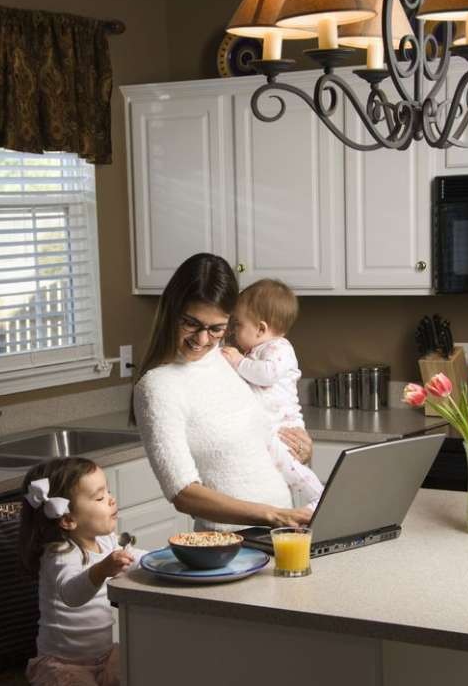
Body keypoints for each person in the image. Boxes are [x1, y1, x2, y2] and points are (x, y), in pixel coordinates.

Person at [132, 252, 314, 532]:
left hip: (282, 535)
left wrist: (300, 450)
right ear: (171, 310)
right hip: (228, 548)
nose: (203, 339)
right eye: (191, 323)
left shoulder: (230, 361)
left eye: (217, 328)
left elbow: (257, 445)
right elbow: (183, 493)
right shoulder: (157, 386)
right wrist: (273, 515)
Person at [19, 457, 145, 686]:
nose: (111, 499)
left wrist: (169, 556)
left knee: (141, 671)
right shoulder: (59, 555)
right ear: (68, 519)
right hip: (62, 664)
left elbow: (132, 558)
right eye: (99, 497)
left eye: (108, 491)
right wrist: (102, 569)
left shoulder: (106, 541)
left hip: (105, 656)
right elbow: (72, 594)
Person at [221, 279, 324, 510]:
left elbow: (266, 375)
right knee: (283, 467)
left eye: (238, 325)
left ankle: (320, 499)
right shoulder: (256, 350)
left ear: (261, 328)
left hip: (283, 426)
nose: (233, 331)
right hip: (269, 427)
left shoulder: (279, 348)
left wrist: (238, 362)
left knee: (289, 467)